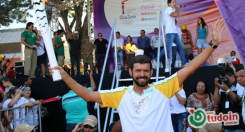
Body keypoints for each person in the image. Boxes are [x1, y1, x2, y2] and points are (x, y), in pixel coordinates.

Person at [49, 19, 226, 132]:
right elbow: (87, 95)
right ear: (131, 72)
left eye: (145, 71)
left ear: (151, 72)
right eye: (138, 71)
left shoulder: (163, 88)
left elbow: (190, 68)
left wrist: (212, 45)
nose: (142, 75)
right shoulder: (120, 94)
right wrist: (65, 76)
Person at [153, 0, 187, 68]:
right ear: (169, 4)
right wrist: (178, 9)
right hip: (170, 33)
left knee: (181, 46)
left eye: (175, 2)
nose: (175, 3)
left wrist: (178, 8)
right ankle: (155, 60)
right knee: (167, 48)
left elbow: (174, 13)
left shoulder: (172, 9)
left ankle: (184, 62)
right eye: (173, 2)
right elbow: (175, 15)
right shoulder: (168, 9)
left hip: (174, 33)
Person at [214, 67, 245, 132]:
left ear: (232, 77)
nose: (223, 80)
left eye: (225, 78)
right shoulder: (223, 86)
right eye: (221, 78)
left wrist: (227, 90)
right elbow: (216, 102)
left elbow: (240, 101)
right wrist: (217, 87)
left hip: (239, 125)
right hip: (227, 123)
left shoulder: (239, 86)